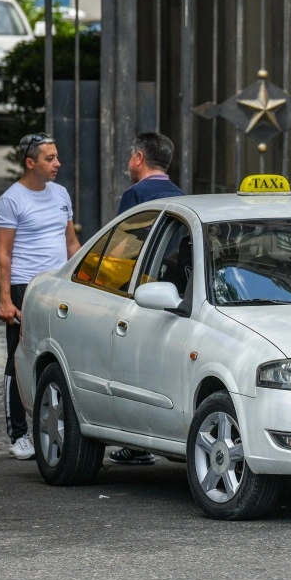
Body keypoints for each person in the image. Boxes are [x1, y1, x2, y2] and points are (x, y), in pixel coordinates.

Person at [0, 133, 81, 460]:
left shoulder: (60, 194)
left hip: (59, 287)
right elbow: (3, 254)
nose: (57, 163)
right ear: (31, 163)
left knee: (60, 356)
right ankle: (17, 433)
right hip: (25, 288)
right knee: (20, 357)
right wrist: (5, 299)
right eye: (49, 158)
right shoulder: (11, 200)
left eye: (57, 157)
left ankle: (58, 426)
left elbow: (71, 242)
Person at [110, 132, 185, 465]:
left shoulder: (136, 195)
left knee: (132, 369)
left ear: (139, 158)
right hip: (176, 294)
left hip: (142, 292)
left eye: (130, 157)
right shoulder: (182, 197)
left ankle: (137, 443)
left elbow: (123, 250)